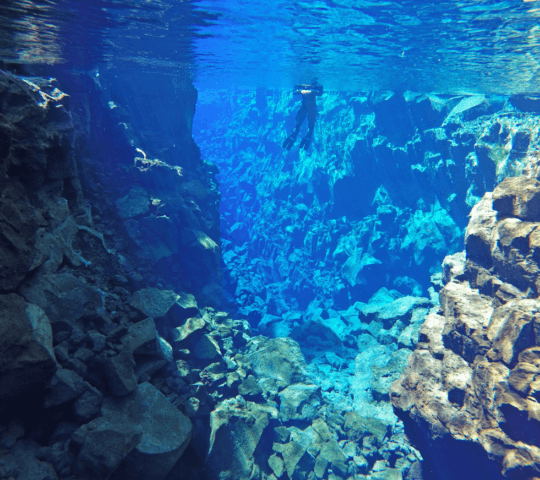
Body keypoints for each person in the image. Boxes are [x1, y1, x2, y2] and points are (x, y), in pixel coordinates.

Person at [282, 79, 323, 151]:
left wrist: (306, 91)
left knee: (309, 127)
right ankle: (295, 136)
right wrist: (302, 91)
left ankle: (300, 137)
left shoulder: (313, 86)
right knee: (300, 126)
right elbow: (294, 91)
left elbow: (320, 91)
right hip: (306, 107)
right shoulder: (306, 86)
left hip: (309, 108)